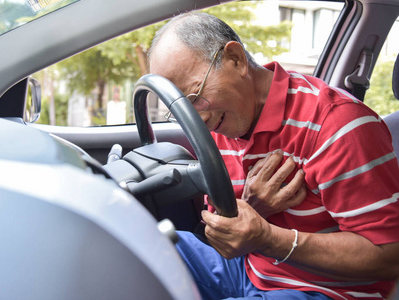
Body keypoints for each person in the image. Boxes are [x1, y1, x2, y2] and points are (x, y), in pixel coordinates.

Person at [148, 12, 399, 300]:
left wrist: (267, 238)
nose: (194, 119)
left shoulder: (339, 125)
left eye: (193, 98)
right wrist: (252, 209)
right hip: (250, 269)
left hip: (323, 290)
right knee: (143, 242)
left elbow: (388, 255)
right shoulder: (218, 121)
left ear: (236, 60)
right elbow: (222, 231)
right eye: (179, 109)